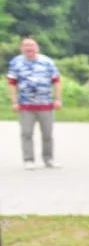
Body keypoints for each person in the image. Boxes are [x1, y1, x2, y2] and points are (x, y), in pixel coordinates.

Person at [7, 37, 61, 169]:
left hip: (46, 104)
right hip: (26, 105)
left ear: (37, 47)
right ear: (21, 48)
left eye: (31, 45)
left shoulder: (47, 62)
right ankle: (28, 159)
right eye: (26, 45)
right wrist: (14, 101)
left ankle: (49, 159)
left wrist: (58, 99)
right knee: (26, 133)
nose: (29, 48)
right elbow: (12, 83)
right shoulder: (16, 63)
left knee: (47, 134)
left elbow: (56, 81)